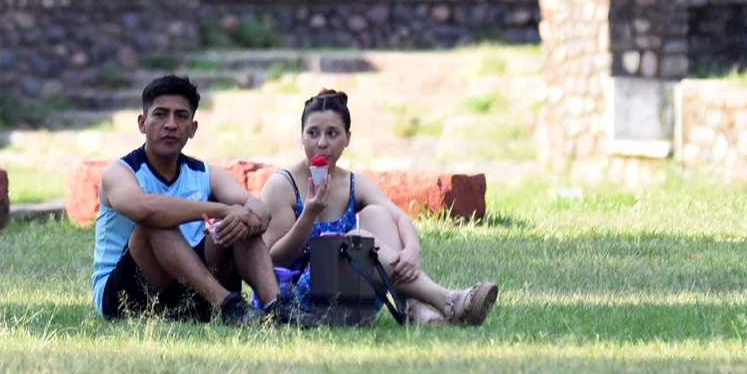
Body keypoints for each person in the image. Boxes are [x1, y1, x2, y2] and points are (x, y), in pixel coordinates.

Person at [92, 75, 319, 327]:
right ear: (142, 124)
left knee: (240, 220)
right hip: (126, 297)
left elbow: (259, 210)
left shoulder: (207, 173)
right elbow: (143, 209)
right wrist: (222, 209)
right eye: (160, 114)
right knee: (154, 221)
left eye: (181, 116)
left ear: (193, 128)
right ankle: (230, 306)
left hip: (192, 292)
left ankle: (276, 305)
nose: (170, 124)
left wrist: (247, 216)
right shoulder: (119, 172)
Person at [257, 90, 499, 326]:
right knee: (353, 241)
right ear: (301, 137)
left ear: (348, 139)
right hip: (294, 304)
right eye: (312, 133)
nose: (321, 143)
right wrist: (308, 214)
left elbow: (399, 217)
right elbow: (270, 261)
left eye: (332, 134)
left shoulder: (353, 183)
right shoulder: (282, 185)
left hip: (348, 296)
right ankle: (448, 300)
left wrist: (412, 249)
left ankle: (414, 306)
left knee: (378, 214)